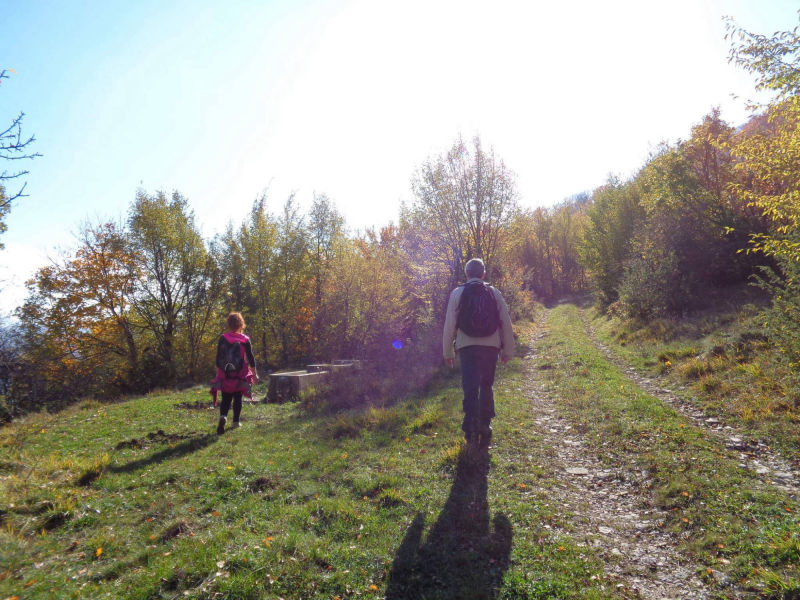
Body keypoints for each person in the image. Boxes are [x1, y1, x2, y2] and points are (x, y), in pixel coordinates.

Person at [443, 258, 514, 446]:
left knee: (470, 387)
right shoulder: (493, 292)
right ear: (483, 273)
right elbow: (505, 322)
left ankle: (470, 429)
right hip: (491, 345)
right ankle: (485, 425)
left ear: (467, 274)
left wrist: (448, 352)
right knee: (486, 385)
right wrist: (507, 349)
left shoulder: (458, 293)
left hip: (467, 346)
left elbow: (450, 324)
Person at [210, 312, 259, 434]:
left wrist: (219, 374)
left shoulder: (223, 338)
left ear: (229, 324)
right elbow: (251, 358)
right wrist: (254, 373)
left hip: (225, 373)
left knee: (226, 398)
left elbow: (218, 357)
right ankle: (236, 421)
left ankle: (223, 416)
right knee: (238, 397)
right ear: (241, 324)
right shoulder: (245, 339)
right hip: (240, 373)